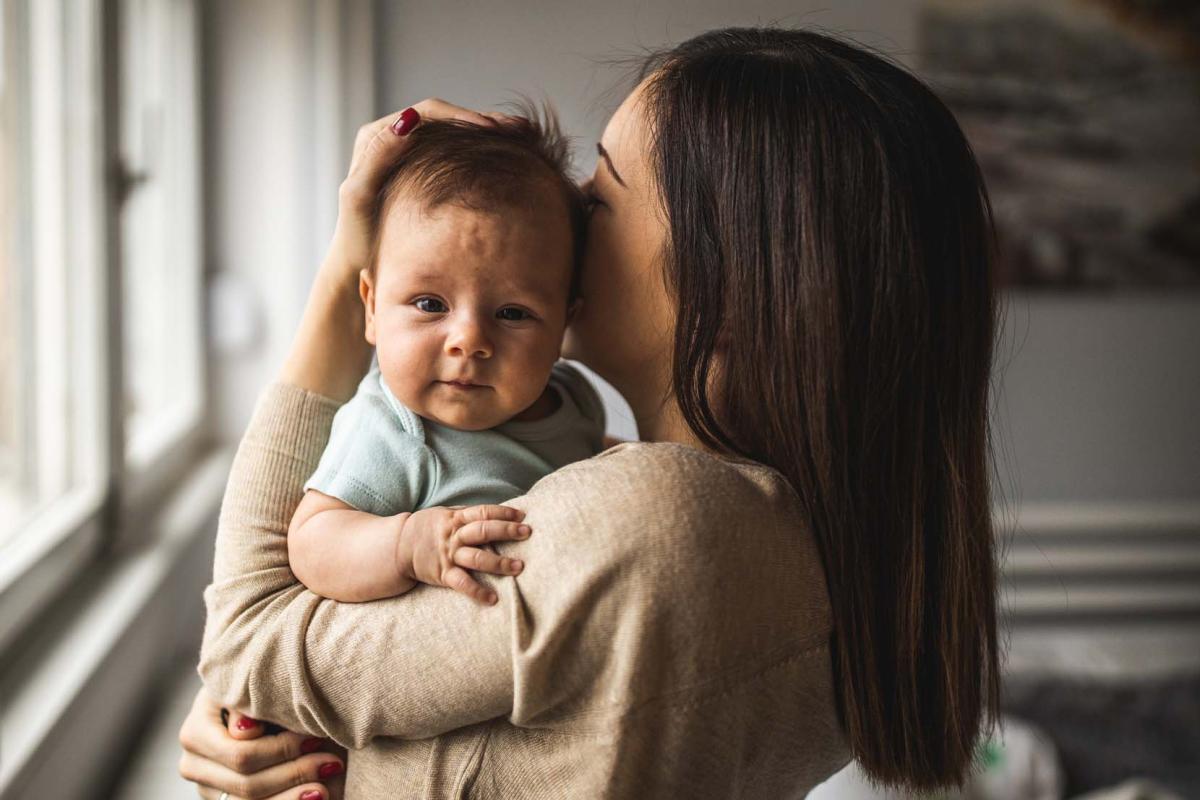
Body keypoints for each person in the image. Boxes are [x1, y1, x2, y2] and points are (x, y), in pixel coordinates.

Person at [178, 26, 1002, 800]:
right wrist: (306, 728)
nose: (563, 208)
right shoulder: (798, 537)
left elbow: (246, 641)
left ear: (731, 278)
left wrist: (349, 262)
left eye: (601, 193)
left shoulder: (655, 522)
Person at [288, 112, 608, 607]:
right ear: (371, 307)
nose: (469, 340)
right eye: (430, 304)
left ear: (564, 324)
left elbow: (583, 455)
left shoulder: (573, 398)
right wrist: (407, 544)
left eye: (512, 313)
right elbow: (313, 541)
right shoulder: (392, 431)